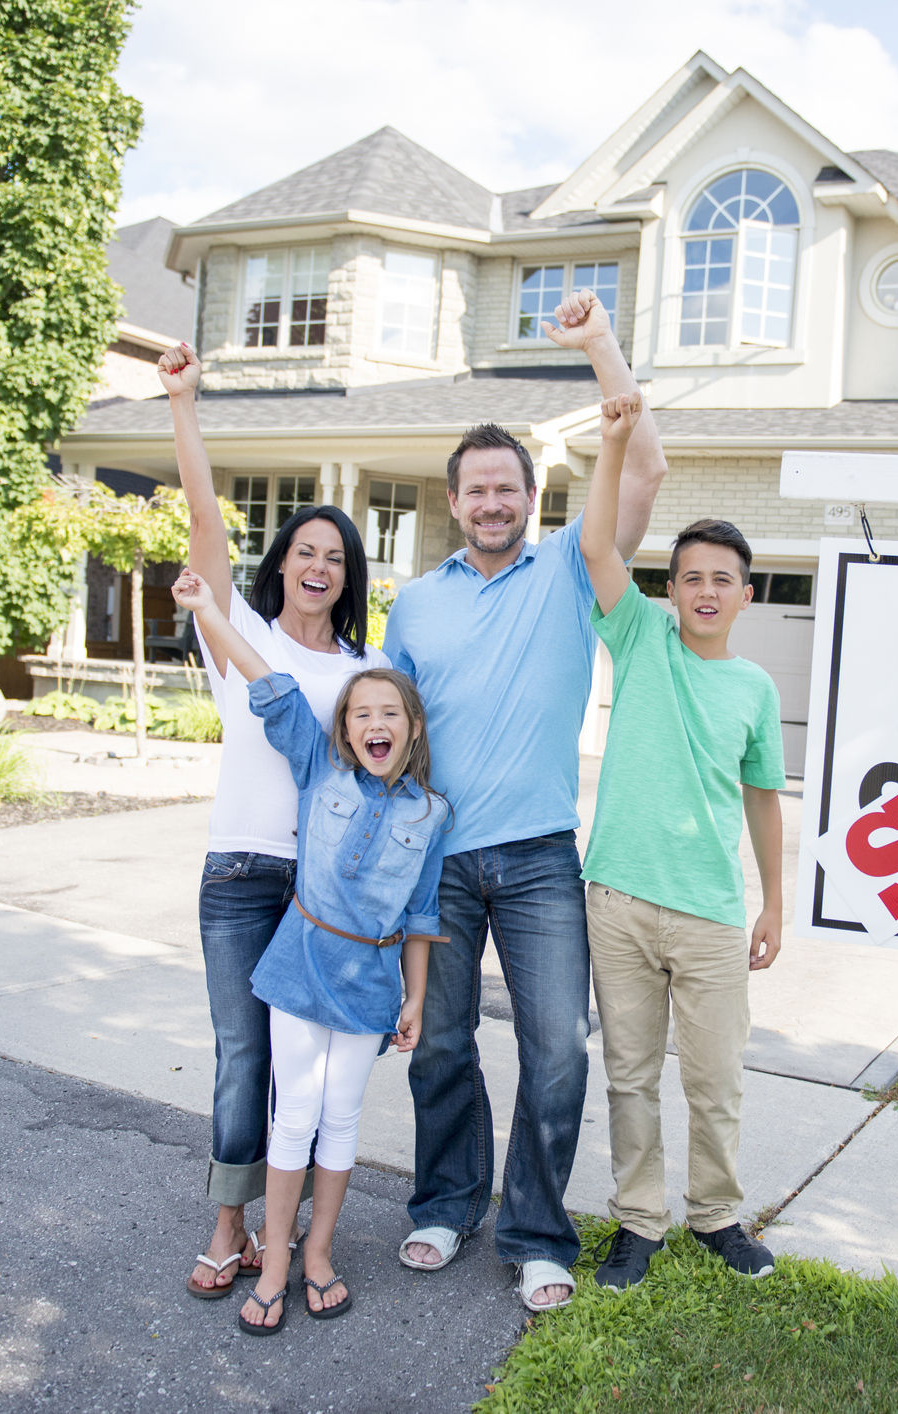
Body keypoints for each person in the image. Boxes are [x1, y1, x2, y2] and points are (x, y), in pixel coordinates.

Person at [385, 290, 668, 1312]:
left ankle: (536, 1230)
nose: (494, 503)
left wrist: (599, 350)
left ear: (531, 495)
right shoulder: (413, 602)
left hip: (545, 855)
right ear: (454, 501)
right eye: (477, 490)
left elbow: (644, 467)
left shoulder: (570, 566)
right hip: (439, 860)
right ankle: (444, 1202)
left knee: (557, 1048)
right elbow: (386, 738)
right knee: (443, 1046)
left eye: (509, 487)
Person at [157, 343, 390, 1302]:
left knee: (305, 1074)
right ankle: (229, 1224)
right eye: (305, 552)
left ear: (349, 577)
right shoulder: (235, 635)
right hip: (236, 876)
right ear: (281, 564)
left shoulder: (366, 676)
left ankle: (292, 1232)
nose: (319, 568)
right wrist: (183, 404)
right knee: (240, 1053)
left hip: (319, 894)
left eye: (336, 559)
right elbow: (205, 519)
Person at [171, 565, 447, 1334]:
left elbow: (421, 913)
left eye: (390, 713)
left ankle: (319, 1251)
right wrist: (206, 612)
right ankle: (279, 1260)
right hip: (298, 968)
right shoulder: (316, 765)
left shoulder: (430, 814)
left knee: (342, 1115)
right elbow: (269, 680)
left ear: (411, 728)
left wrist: (415, 997)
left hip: (370, 984)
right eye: (361, 713)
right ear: (344, 729)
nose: (374, 725)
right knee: (294, 1114)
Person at [575, 392, 787, 1288]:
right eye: (690, 576)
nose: (705, 591)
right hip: (618, 896)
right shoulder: (639, 638)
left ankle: (715, 1216)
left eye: (721, 579)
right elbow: (594, 546)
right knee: (628, 1078)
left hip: (707, 911)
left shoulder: (755, 688)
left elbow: (764, 799)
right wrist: (613, 444)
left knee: (713, 1082)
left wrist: (774, 901)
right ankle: (638, 1221)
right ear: (671, 590)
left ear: (746, 593)